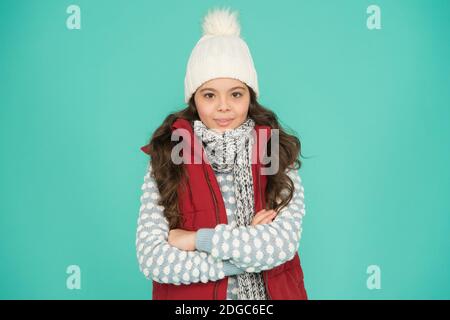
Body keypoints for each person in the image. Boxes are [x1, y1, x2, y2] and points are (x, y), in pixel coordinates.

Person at [136, 7, 307, 300]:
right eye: (209, 95)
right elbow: (153, 258)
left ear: (250, 96)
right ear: (194, 99)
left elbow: (281, 245)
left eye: (236, 94)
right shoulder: (169, 156)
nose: (223, 106)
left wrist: (195, 239)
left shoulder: (274, 153)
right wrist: (245, 254)